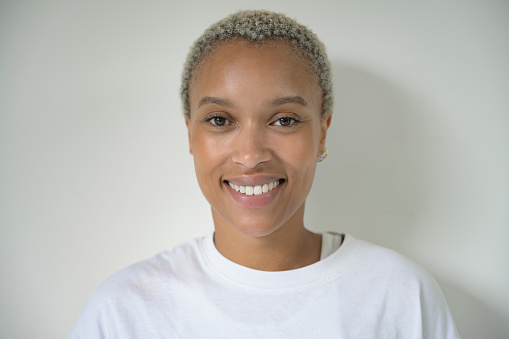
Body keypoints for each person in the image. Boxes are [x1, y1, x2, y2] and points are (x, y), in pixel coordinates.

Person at [69, 10, 460, 338]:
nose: (251, 154)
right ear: (190, 134)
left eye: (284, 120)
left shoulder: (402, 296)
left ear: (321, 132)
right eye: (220, 120)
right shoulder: (124, 310)